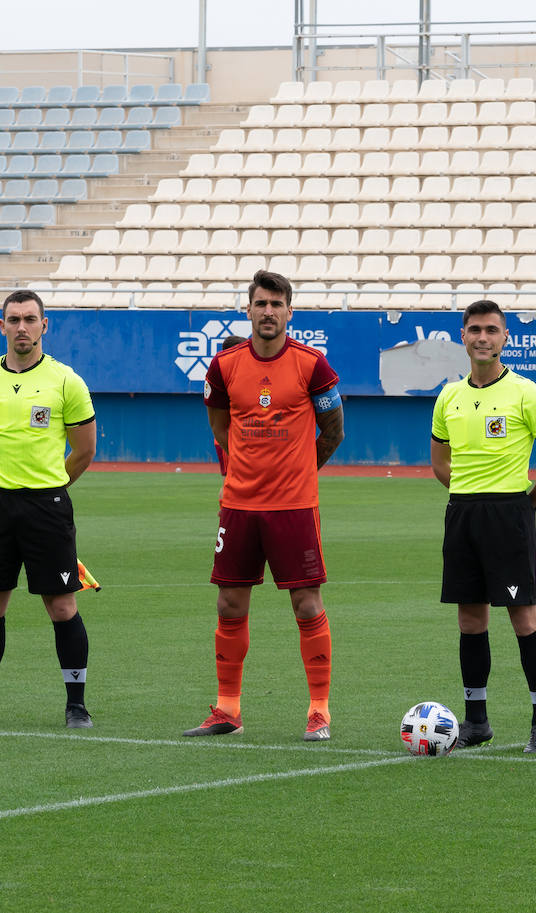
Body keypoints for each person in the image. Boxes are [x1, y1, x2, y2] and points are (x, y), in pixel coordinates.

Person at [184, 270, 345, 741]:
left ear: (289, 312)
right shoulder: (225, 365)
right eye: (261, 303)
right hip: (239, 505)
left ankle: (319, 712)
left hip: (294, 507)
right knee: (229, 601)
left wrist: (296, 472)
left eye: (277, 304)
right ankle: (227, 711)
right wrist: (245, 470)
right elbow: (220, 425)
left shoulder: (313, 365)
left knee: (305, 603)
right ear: (248, 309)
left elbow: (333, 431)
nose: (269, 311)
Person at [0, 289, 98, 729]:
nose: (22, 327)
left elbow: (85, 449)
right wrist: (3, 476)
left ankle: (76, 706)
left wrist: (49, 487)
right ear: (2, 326)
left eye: (31, 319)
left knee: (61, 605)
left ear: (44, 325)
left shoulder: (66, 380)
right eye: (14, 319)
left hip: (47, 507)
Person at [429, 299, 536, 753]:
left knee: (523, 618)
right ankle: (476, 721)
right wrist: (470, 491)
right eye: (474, 330)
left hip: (509, 515)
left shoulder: (526, 393)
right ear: (463, 337)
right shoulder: (449, 396)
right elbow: (439, 462)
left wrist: (524, 507)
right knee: (470, 620)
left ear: (505, 338)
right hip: (462, 514)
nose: (482, 337)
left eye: (491, 330)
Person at [213, 335, 246, 475]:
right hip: (230, 440)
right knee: (230, 482)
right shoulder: (226, 378)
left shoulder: (239, 376)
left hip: (243, 441)